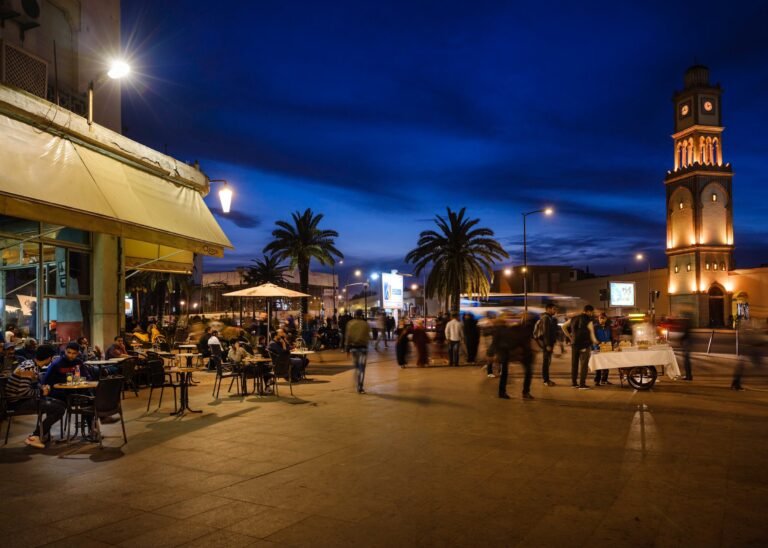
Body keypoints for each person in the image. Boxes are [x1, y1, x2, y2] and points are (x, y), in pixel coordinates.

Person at [4, 344, 63, 448]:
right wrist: (41, 392)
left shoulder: (32, 364)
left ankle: (42, 434)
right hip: (17, 402)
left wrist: (42, 388)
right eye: (52, 358)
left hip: (21, 399)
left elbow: (31, 386)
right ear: (49, 358)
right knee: (58, 408)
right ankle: (35, 436)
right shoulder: (29, 367)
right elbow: (23, 392)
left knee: (61, 404)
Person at [492, 312, 534, 400]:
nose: (509, 318)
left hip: (521, 353)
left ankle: (525, 392)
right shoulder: (502, 328)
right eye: (507, 317)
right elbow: (496, 343)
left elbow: (523, 338)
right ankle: (502, 392)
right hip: (509, 353)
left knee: (528, 372)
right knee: (505, 373)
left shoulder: (516, 327)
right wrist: (493, 354)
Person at [561, 305, 599, 390]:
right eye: (592, 312)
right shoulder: (589, 320)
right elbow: (592, 334)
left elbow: (563, 326)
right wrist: (596, 341)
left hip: (574, 344)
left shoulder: (574, 318)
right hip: (584, 344)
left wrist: (570, 337)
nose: (592, 314)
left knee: (574, 364)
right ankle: (582, 384)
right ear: (589, 311)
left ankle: (574, 383)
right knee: (584, 365)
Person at [346, 310, 370, 393]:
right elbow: (368, 336)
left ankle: (356, 381)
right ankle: (360, 386)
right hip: (363, 348)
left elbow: (348, 336)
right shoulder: (365, 324)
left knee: (356, 367)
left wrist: (347, 348)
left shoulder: (350, 323)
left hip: (353, 348)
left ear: (355, 314)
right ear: (362, 315)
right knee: (362, 368)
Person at [536, 303, 559, 386]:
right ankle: (546, 380)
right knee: (546, 362)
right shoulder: (546, 318)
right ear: (548, 309)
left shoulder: (549, 318)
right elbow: (546, 332)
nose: (555, 311)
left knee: (547, 361)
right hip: (547, 344)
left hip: (548, 343)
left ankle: (546, 379)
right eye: (554, 309)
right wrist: (548, 345)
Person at [592, 313, 614, 386]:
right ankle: (597, 380)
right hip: (597, 348)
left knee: (606, 364)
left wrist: (612, 344)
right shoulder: (595, 327)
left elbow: (611, 337)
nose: (601, 320)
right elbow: (593, 338)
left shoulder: (608, 327)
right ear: (598, 319)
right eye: (600, 318)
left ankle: (604, 380)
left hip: (607, 348)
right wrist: (595, 346)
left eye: (603, 318)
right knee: (598, 364)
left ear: (606, 319)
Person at [478, 311, 497, 378]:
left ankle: (490, 370)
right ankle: (490, 371)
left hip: (489, 341)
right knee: (491, 356)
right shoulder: (489, 322)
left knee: (490, 356)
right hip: (490, 342)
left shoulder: (484, 321)